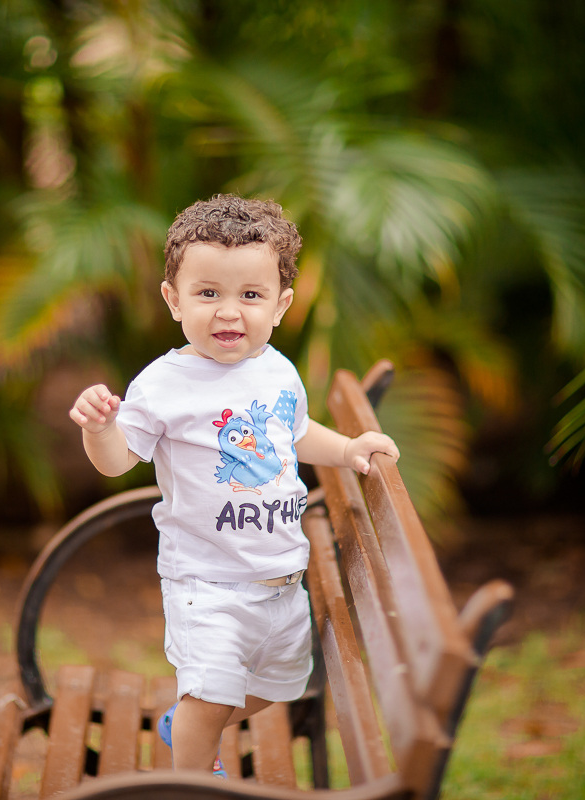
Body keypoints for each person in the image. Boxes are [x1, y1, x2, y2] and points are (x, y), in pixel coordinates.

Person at [68, 194, 399, 776]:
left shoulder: (277, 369)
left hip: (281, 580)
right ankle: (195, 780)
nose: (229, 312)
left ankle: (188, 725)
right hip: (208, 584)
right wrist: (101, 430)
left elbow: (293, 434)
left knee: (281, 686)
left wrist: (347, 450)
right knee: (211, 694)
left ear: (280, 304)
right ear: (174, 300)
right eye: (208, 293)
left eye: (250, 295)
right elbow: (117, 461)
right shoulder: (165, 384)